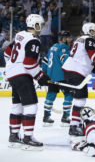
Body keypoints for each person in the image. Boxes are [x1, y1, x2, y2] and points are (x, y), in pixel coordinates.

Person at [5, 14, 50, 150]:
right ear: (35, 25)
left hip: (12, 74)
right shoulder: (34, 40)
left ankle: (13, 135)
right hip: (22, 75)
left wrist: (13, 66)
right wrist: (40, 76)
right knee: (31, 105)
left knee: (17, 105)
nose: (41, 28)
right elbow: (29, 63)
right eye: (40, 25)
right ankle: (28, 137)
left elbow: (7, 53)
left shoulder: (20, 35)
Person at [41, 31, 73, 126]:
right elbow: (65, 60)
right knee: (69, 94)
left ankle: (46, 117)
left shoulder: (53, 47)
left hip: (51, 76)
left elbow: (45, 60)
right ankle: (65, 118)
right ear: (64, 39)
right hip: (62, 76)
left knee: (50, 95)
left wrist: (45, 73)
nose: (70, 39)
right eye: (68, 37)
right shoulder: (64, 47)